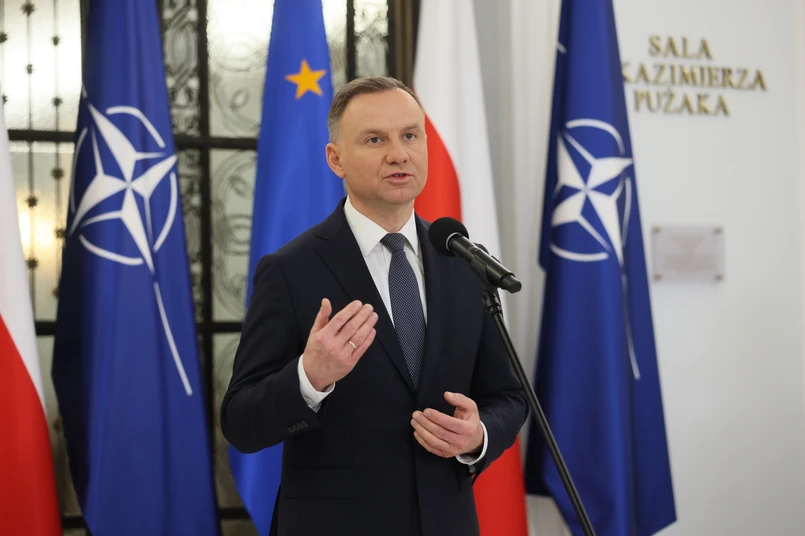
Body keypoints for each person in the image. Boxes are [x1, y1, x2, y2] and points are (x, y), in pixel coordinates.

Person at [221, 76, 527, 536]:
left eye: (410, 135)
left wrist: (478, 435)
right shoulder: (289, 271)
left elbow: (510, 396)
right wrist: (309, 377)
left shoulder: (464, 262)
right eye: (375, 140)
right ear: (336, 159)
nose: (399, 154)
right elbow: (241, 422)